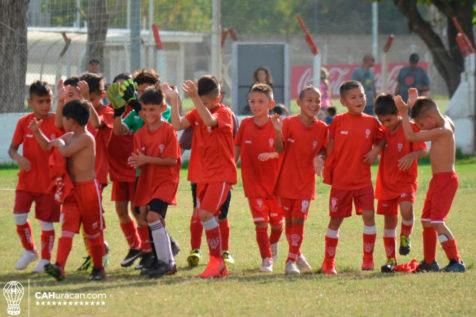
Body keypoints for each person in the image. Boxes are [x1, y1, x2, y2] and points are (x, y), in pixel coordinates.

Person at [169, 75, 237, 278]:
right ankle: (218, 264)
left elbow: (210, 120)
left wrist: (196, 99)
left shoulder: (225, 113)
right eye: (199, 101)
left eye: (204, 102)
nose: (200, 105)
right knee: (206, 216)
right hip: (201, 175)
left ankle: (217, 261)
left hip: (221, 175)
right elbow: (177, 125)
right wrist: (174, 100)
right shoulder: (197, 112)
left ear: (217, 98)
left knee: (206, 214)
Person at [31, 99, 106, 281]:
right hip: (71, 191)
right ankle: (59, 267)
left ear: (71, 120)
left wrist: (58, 144)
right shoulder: (68, 137)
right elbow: (48, 146)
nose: (61, 121)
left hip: (88, 190)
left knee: (93, 233)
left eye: (63, 118)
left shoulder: (87, 138)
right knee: (67, 229)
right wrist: (37, 132)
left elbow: (64, 151)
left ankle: (98, 269)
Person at [394, 88, 465, 272]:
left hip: (446, 180)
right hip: (437, 180)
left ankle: (456, 261)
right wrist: (414, 105)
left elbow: (411, 135)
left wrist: (403, 112)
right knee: (426, 220)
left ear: (431, 118)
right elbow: (422, 118)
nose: (421, 127)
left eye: (421, 124)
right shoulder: (444, 120)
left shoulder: (443, 131)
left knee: (437, 221)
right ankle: (429, 262)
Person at [321, 80, 384, 275]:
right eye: (353, 97)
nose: (359, 100)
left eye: (362, 95)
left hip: (363, 181)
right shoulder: (338, 122)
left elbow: (382, 140)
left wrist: (375, 151)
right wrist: (321, 159)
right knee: (335, 220)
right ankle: (329, 262)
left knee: (369, 216)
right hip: (341, 183)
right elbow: (327, 146)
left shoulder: (372, 122)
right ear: (343, 101)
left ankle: (368, 258)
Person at [55, 74, 112, 272]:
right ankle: (59, 266)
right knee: (69, 228)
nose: (69, 98)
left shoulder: (90, 125)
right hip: (73, 187)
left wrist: (85, 98)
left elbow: (96, 124)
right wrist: (60, 99)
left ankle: (99, 262)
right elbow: (56, 128)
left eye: (73, 95)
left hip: (92, 183)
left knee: (93, 229)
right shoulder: (70, 130)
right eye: (68, 95)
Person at [272, 85, 328, 275]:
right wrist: (278, 132)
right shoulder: (288, 123)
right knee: (289, 221)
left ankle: (290, 261)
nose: (314, 104)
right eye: (309, 100)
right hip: (286, 182)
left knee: (299, 220)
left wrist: (320, 156)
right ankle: (297, 254)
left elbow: (327, 149)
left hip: (305, 183)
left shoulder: (322, 128)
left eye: (317, 101)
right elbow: (279, 149)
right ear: (299, 103)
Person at [8, 81, 62, 273]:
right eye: (41, 101)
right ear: (30, 102)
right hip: (26, 181)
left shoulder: (57, 121)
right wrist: (18, 158)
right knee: (19, 216)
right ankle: (30, 250)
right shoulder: (23, 123)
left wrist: (37, 131)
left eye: (49, 100)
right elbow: (12, 149)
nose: (46, 105)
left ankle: (45, 260)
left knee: (46, 222)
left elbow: (50, 146)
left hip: (49, 183)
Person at [128, 87, 181, 278]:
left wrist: (145, 160)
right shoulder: (139, 134)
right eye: (145, 109)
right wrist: (135, 161)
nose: (149, 113)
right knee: (149, 217)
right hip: (149, 181)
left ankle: (165, 262)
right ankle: (168, 261)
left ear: (162, 108)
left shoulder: (168, 130)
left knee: (152, 217)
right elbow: (139, 159)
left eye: (153, 109)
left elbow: (172, 161)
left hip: (166, 181)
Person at [373, 93, 427, 272]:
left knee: (406, 210)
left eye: (388, 120)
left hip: (405, 180)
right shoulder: (383, 131)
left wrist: (412, 155)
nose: (385, 124)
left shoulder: (410, 128)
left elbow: (423, 150)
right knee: (389, 222)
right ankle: (391, 259)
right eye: (381, 121)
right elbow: (377, 144)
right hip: (386, 182)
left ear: (398, 113)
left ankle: (405, 237)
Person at [234, 83, 283, 272]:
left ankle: (273, 245)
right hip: (253, 184)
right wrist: (232, 166)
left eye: (260, 101)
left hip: (276, 185)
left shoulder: (277, 124)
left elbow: (283, 151)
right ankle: (266, 259)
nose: (255, 105)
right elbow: (237, 147)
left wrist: (272, 153)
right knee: (261, 223)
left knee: (277, 225)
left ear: (271, 104)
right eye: (252, 101)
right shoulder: (245, 124)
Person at [106, 73, 142, 267]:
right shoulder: (113, 109)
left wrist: (131, 103)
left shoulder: (138, 108)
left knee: (138, 211)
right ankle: (135, 245)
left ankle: (149, 248)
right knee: (121, 209)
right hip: (118, 167)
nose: (120, 91)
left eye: (124, 87)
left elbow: (138, 127)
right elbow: (117, 130)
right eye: (116, 88)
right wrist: (117, 110)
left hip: (135, 166)